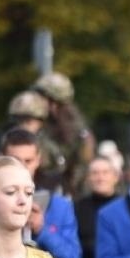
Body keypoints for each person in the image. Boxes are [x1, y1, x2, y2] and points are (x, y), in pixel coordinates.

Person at [31, 71, 94, 199]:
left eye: (41, 97)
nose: (36, 101)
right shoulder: (40, 124)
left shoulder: (78, 133)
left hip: (66, 197)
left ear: (54, 103)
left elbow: (81, 171)